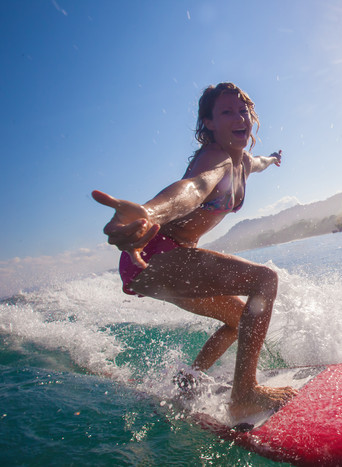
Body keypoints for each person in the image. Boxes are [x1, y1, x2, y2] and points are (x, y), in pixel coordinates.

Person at [92, 82, 297, 419]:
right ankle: (245, 391)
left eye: (242, 110)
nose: (239, 116)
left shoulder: (242, 161)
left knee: (237, 320)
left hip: (159, 264)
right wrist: (150, 214)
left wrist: (273, 159)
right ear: (209, 124)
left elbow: (256, 161)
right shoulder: (214, 159)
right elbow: (192, 189)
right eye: (226, 111)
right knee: (265, 281)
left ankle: (190, 376)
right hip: (156, 253)